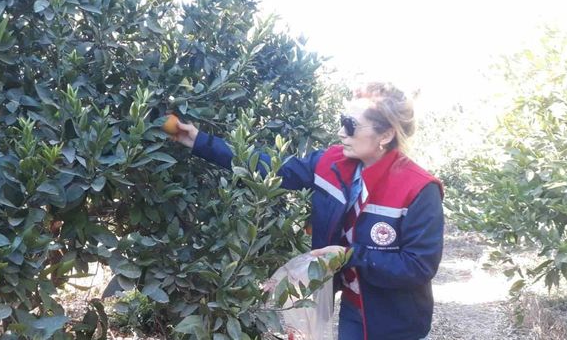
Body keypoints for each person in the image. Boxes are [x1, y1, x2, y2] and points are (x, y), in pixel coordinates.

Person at [172, 82, 444, 340]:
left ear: (385, 134)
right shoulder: (331, 163)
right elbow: (272, 168)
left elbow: (419, 266)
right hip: (353, 308)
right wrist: (200, 142)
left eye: (350, 126)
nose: (341, 133)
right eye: (341, 121)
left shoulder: (418, 189)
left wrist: (350, 256)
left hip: (398, 318)